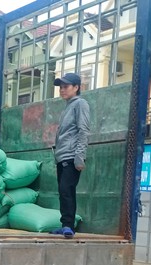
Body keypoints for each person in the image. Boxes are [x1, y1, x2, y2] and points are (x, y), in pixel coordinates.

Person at [51, 73, 90, 238]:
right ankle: (66, 225)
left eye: (66, 87)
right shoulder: (69, 106)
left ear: (76, 87)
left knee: (66, 189)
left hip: (71, 156)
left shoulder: (80, 104)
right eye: (60, 87)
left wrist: (79, 156)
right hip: (62, 156)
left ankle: (68, 225)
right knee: (64, 191)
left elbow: (84, 130)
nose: (62, 90)